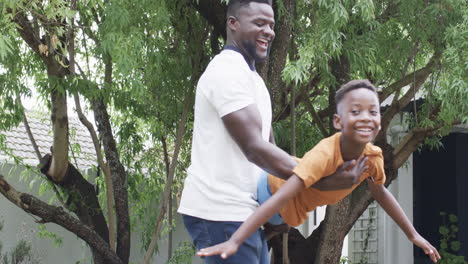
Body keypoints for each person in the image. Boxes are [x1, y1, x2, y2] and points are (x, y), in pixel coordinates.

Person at [177, 1, 366, 263]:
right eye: (259, 23)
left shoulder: (254, 80)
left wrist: (282, 207)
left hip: (248, 212)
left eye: (272, 25)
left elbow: (270, 154)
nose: (269, 31)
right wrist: (320, 176)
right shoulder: (226, 70)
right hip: (221, 210)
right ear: (233, 23)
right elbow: (255, 148)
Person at [196, 79, 442, 263]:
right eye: (355, 111)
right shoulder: (325, 154)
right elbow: (282, 196)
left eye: (373, 111)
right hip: (267, 191)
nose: (366, 118)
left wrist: (412, 234)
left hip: (284, 217)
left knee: (280, 225)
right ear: (338, 121)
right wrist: (236, 239)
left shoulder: (372, 158)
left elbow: (380, 193)